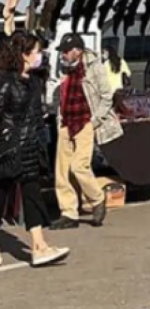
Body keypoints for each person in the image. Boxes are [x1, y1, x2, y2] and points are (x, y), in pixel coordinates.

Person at [0, 32, 70, 267]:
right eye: (36, 51)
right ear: (23, 54)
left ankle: (39, 246)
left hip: (30, 150)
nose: (40, 55)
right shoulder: (5, 82)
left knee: (32, 197)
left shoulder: (34, 82)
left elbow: (37, 117)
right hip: (8, 151)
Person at [51, 33, 123, 230]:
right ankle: (68, 212)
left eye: (66, 52)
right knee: (62, 171)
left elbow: (106, 96)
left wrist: (95, 120)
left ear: (77, 51)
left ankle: (97, 199)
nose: (63, 55)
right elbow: (60, 95)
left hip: (85, 121)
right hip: (66, 122)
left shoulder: (94, 66)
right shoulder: (63, 68)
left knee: (79, 166)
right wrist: (59, 120)